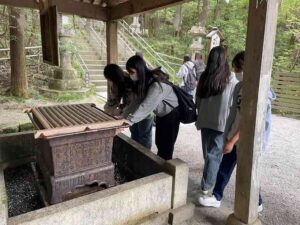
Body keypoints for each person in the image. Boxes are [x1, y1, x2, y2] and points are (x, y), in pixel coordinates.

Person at [198, 51, 276, 213]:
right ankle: (216, 197)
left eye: (238, 68)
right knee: (224, 168)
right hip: (234, 137)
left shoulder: (262, 92)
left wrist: (232, 140)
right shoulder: (239, 87)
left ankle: (257, 201)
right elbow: (234, 113)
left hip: (249, 141)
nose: (236, 72)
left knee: (247, 173)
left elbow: (252, 121)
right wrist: (228, 136)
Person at [195, 46, 239, 195]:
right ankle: (206, 187)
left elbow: (198, 100)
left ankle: (206, 183)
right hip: (221, 123)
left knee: (208, 154)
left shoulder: (204, 76)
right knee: (214, 156)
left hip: (204, 120)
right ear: (224, 59)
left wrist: (200, 111)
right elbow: (234, 102)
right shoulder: (230, 78)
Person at [125, 55, 180, 160]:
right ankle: (160, 167)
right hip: (161, 114)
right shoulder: (144, 82)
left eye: (132, 72)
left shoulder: (156, 84)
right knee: (160, 142)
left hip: (171, 114)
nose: (130, 75)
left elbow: (146, 106)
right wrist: (122, 117)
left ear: (139, 70)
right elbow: (136, 102)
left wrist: (127, 122)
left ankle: (165, 171)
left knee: (166, 146)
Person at [103, 64, 154, 149]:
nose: (110, 82)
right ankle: (135, 154)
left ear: (114, 76)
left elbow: (135, 102)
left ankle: (144, 156)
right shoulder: (115, 83)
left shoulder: (132, 80)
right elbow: (113, 100)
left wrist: (124, 112)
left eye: (110, 79)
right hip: (130, 113)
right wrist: (106, 114)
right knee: (134, 134)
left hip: (144, 112)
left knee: (144, 136)